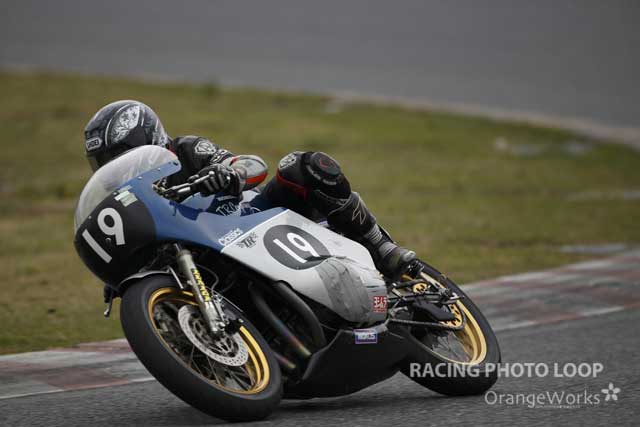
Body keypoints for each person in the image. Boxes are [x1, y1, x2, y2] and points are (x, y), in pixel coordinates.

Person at [84, 100, 418, 279]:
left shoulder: (185, 149)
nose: (115, 166)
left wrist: (228, 174)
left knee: (302, 165)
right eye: (104, 163)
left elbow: (252, 164)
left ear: (148, 137)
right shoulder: (128, 199)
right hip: (210, 257)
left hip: (252, 218)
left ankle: (380, 245)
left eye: (120, 155)